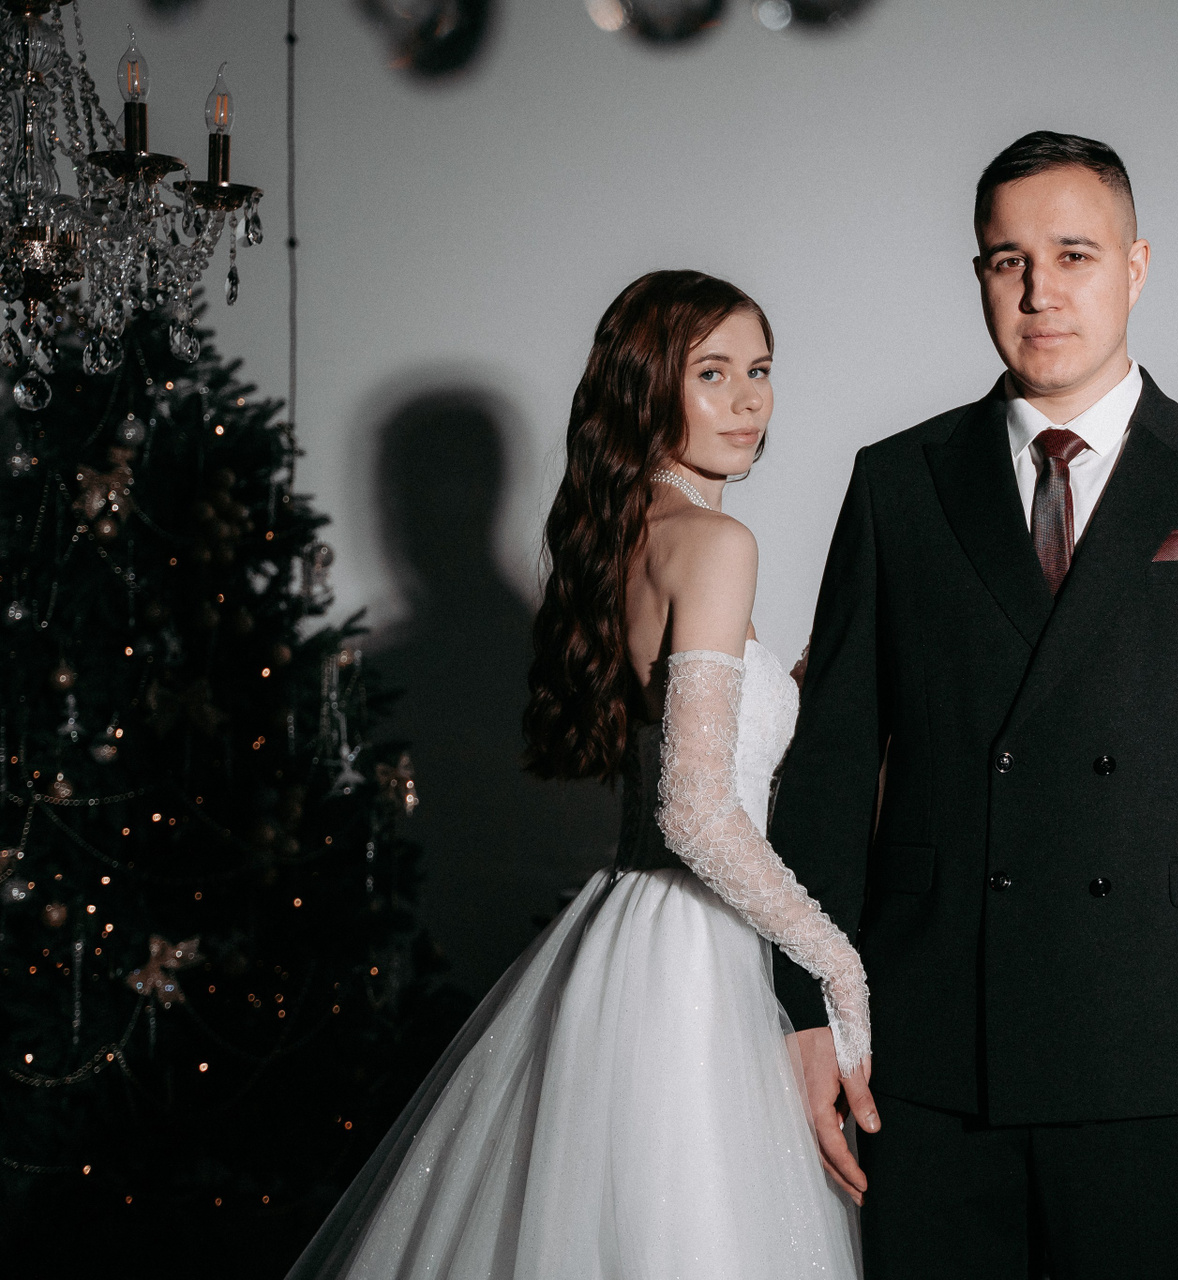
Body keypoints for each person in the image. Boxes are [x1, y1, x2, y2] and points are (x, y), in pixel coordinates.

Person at [771, 132, 1178, 1279]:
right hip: (928, 1051)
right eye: (1009, 260)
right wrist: (804, 1011)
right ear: (980, 274)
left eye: (1074, 254)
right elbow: (833, 766)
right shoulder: (898, 481)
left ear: (1135, 266)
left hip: (1161, 1047)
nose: (1040, 291)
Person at [286, 270, 872, 1280]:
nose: (748, 400)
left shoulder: (628, 533)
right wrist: (836, 958)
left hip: (625, 934)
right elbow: (695, 810)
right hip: (696, 954)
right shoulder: (716, 542)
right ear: (648, 387)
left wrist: (796, 689)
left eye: (760, 369)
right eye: (712, 372)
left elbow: (688, 741)